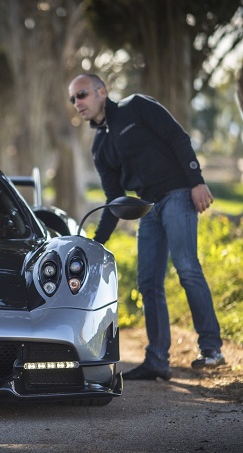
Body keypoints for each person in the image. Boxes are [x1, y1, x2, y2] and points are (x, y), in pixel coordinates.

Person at [67, 73, 225, 381]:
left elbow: (177, 138)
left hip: (179, 193)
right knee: (147, 281)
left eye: (82, 94)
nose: (77, 103)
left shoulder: (135, 107)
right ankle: (157, 360)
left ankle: (211, 349)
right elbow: (115, 200)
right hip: (149, 207)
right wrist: (96, 241)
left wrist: (196, 181)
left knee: (187, 267)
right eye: (73, 99)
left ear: (102, 91)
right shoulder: (100, 146)